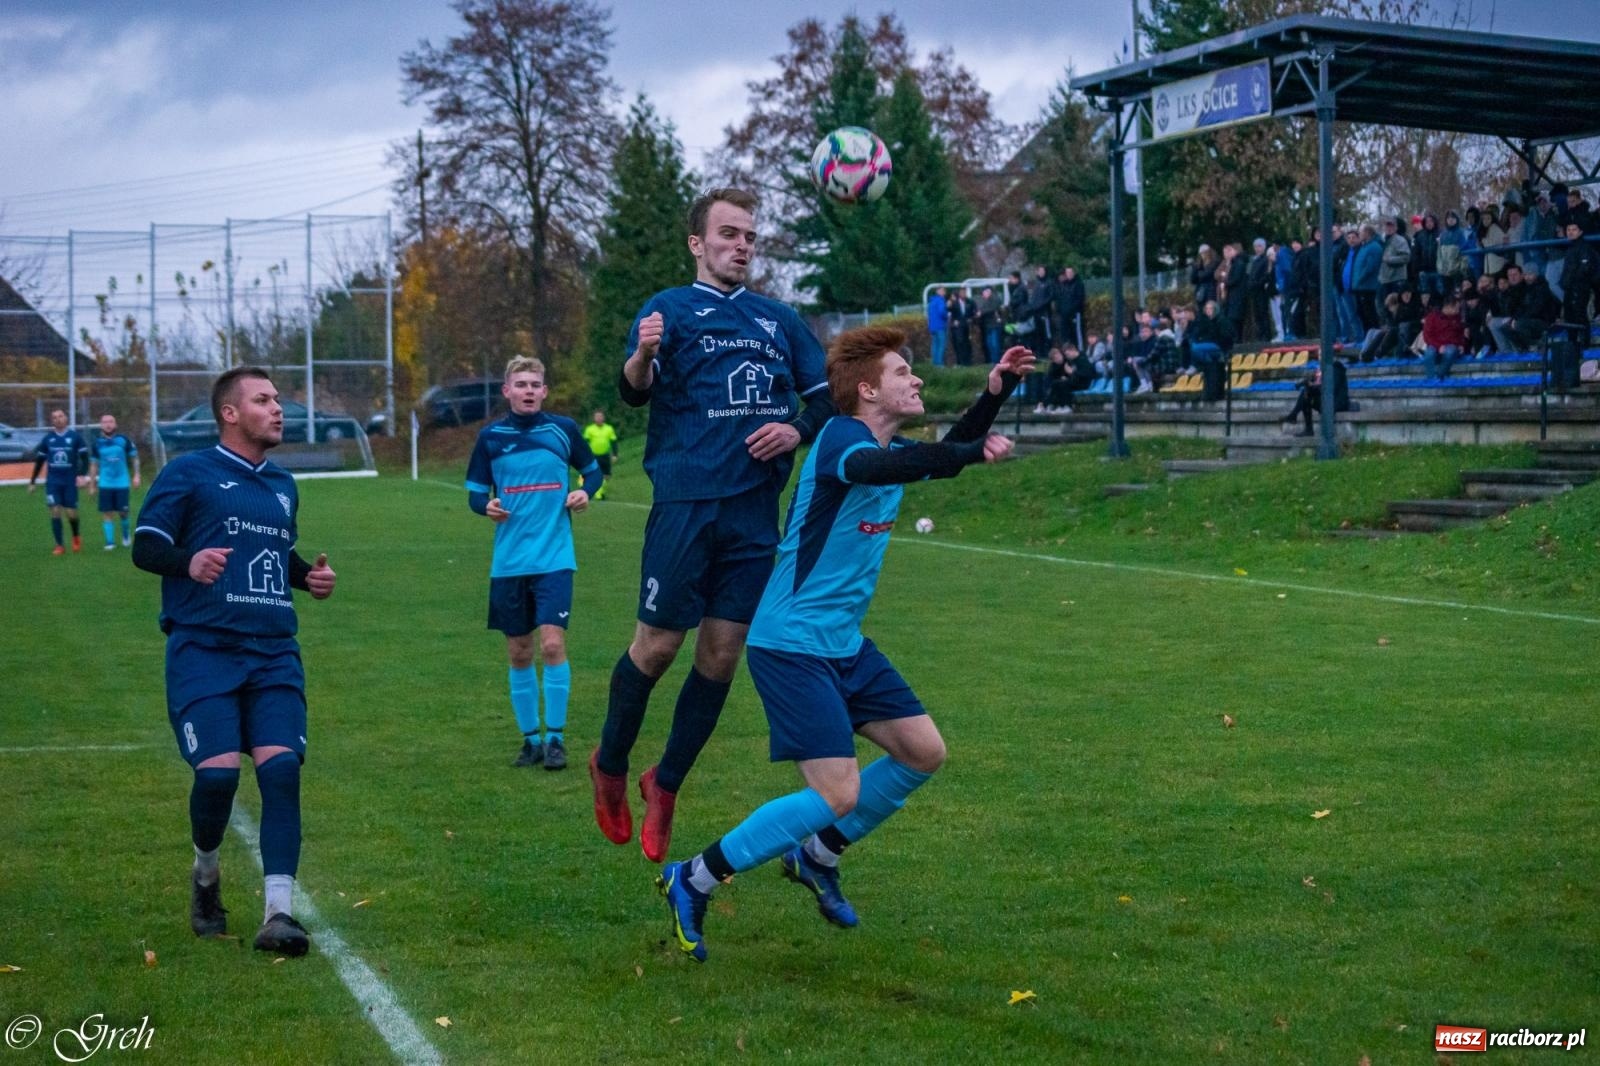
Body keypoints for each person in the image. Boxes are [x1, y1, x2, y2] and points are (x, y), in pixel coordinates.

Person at [654, 329, 1033, 963]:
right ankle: (693, 877)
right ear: (867, 390)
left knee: (923, 753)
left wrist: (996, 391)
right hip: (791, 645)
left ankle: (818, 855)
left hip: (842, 645)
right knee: (838, 793)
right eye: (903, 372)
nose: (916, 380)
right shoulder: (839, 440)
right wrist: (964, 453)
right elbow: (888, 466)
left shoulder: (888, 447)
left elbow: (936, 455)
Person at [592, 187, 835, 863]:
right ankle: (610, 764)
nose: (742, 245)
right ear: (697, 243)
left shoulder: (779, 319)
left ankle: (665, 784)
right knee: (657, 647)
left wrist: (796, 430)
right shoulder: (669, 309)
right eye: (729, 234)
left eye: (750, 236)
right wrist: (643, 355)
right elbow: (633, 389)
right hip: (686, 503)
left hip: (753, 512)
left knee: (722, 655)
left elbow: (825, 402)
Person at [131, 366, 338, 957]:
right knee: (218, 776)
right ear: (229, 413)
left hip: (273, 652)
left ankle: (279, 914)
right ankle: (206, 874)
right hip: (204, 649)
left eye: (277, 400)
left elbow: (272, 552)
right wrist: (187, 562)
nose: (278, 409)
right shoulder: (189, 472)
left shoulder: (283, 484)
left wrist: (307, 577)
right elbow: (146, 544)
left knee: (281, 770)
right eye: (263, 400)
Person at [467, 356, 603, 772]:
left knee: (552, 645)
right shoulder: (491, 438)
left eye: (534, 384)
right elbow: (475, 493)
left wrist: (584, 492)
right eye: (521, 384)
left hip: (554, 557)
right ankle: (531, 742)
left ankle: (556, 739)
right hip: (509, 562)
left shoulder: (562, 430)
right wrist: (486, 506)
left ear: (544, 391)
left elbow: (593, 473)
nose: (528, 390)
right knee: (519, 651)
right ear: (507, 391)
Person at [28, 408, 90, 555]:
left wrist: (82, 475)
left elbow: (85, 458)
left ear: (66, 418)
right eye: (55, 417)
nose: (58, 419)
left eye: (60, 416)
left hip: (69, 481)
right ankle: (59, 545)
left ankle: (76, 536)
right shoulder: (48, 439)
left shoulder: (75, 437)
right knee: (55, 511)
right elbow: (39, 461)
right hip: (53, 482)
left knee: (71, 513)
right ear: (52, 421)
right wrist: (32, 481)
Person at [90, 413, 140, 550]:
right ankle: (110, 542)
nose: (108, 424)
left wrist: (136, 475)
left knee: (123, 512)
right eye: (105, 422)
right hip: (105, 483)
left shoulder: (123, 440)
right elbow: (94, 464)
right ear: (101, 425)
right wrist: (92, 484)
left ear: (115, 424)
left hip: (122, 482)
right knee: (107, 512)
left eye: (111, 421)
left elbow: (134, 457)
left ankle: (126, 535)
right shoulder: (97, 443)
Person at [1282, 358, 1349, 437]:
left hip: (1337, 403)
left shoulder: (1336, 369)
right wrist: (1307, 385)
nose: (1320, 358)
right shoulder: (1323, 370)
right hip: (1328, 401)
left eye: (1322, 355)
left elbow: (1331, 389)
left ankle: (1294, 416)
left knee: (1308, 392)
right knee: (1306, 394)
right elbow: (1318, 386)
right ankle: (1307, 429)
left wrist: (1314, 387)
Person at [1420, 296, 1468, 381]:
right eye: (1456, 308)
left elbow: (1460, 334)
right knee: (1429, 353)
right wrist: (1439, 346)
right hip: (1435, 344)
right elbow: (1427, 336)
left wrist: (1461, 344)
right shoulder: (1432, 317)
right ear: (1448, 307)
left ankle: (1440, 376)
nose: (1458, 311)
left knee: (1450, 351)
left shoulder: (1457, 318)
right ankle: (1430, 378)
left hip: (1451, 344)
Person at [580, 409, 619, 501]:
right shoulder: (590, 429)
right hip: (594, 456)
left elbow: (613, 442)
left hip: (605, 456)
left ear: (603, 418)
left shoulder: (609, 428)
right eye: (597, 417)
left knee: (607, 476)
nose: (599, 418)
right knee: (595, 474)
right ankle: (598, 493)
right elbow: (585, 443)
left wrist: (615, 454)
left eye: (600, 416)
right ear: (594, 418)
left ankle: (599, 491)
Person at [1054, 266, 1086, 351]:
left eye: (1070, 272)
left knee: (1077, 333)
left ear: (1074, 273)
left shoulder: (1078, 284)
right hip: (1064, 315)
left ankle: (1080, 351)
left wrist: (1071, 310)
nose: (1069, 274)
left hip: (1075, 314)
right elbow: (1060, 299)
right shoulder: (1063, 285)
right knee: (1066, 334)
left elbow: (1079, 299)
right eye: (1067, 273)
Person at [975, 286, 1003, 364]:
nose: (983, 295)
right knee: (990, 344)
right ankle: (993, 360)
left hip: (994, 325)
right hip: (988, 326)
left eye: (984, 293)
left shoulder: (995, 299)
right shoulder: (985, 302)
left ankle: (996, 361)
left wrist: (981, 312)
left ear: (988, 292)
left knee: (994, 344)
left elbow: (992, 308)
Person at [926, 286, 948, 367]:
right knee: (941, 345)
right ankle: (939, 363)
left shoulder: (931, 301)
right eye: (943, 290)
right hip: (940, 326)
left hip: (933, 326)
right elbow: (942, 312)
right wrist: (947, 315)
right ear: (938, 291)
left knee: (935, 345)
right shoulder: (940, 301)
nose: (944, 292)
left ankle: (934, 363)